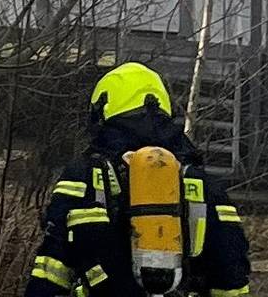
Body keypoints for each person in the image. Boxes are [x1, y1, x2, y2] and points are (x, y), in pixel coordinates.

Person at [25, 61, 252, 297]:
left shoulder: (84, 176)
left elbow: (52, 265)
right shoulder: (202, 184)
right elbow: (231, 269)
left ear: (103, 109)